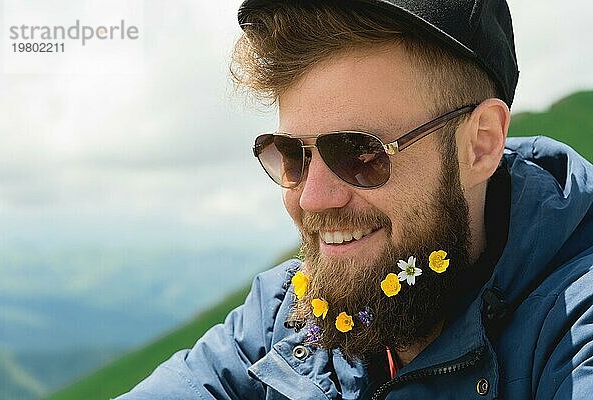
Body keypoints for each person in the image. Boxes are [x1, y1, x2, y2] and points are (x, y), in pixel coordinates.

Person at [117, 0, 593, 399]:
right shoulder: (290, 309)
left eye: (360, 153)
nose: (313, 197)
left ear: (481, 144)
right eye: (292, 155)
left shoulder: (577, 326)